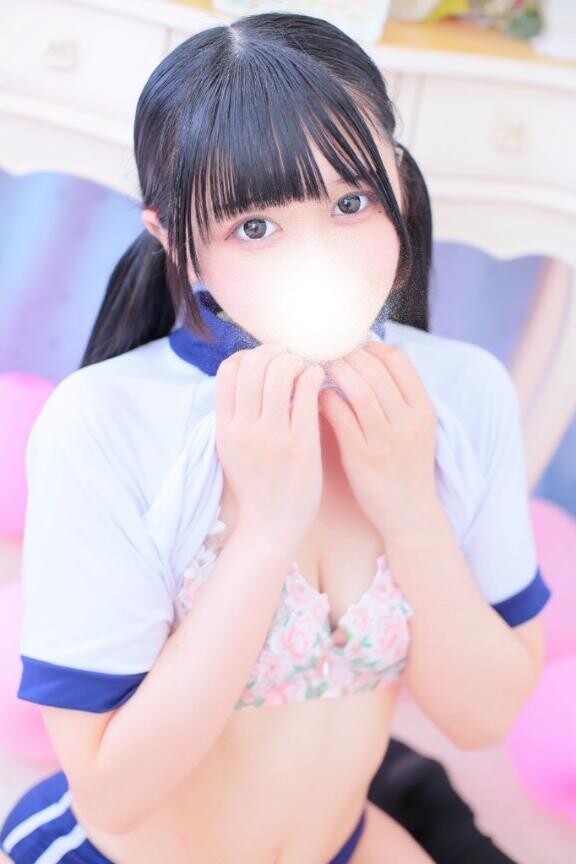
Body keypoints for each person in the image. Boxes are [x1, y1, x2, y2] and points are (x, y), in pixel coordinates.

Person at [0, 12, 552, 864]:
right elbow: (111, 788)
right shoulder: (103, 421)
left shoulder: (462, 392)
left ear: (399, 186)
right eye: (253, 227)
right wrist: (263, 535)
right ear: (175, 240)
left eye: (351, 203)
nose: (318, 258)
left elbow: (482, 717)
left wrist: (411, 509)